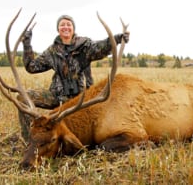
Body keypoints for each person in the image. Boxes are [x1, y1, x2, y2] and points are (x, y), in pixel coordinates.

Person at [18, 14, 129, 142]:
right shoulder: (52, 51)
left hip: (80, 99)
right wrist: (27, 44)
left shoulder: (85, 46)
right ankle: (30, 139)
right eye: (62, 25)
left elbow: (101, 47)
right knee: (23, 98)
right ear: (58, 29)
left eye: (68, 24)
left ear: (73, 28)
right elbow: (32, 67)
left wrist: (117, 38)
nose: (65, 27)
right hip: (57, 96)